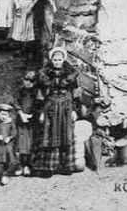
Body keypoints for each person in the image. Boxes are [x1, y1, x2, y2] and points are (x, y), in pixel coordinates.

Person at [32, 47, 78, 176]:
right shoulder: (44, 74)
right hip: (50, 106)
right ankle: (49, 167)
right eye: (55, 59)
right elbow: (40, 95)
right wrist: (41, 112)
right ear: (51, 59)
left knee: (66, 134)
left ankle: (66, 166)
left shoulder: (71, 73)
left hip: (66, 106)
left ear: (64, 59)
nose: (57, 62)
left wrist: (75, 110)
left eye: (59, 59)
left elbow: (75, 93)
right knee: (49, 134)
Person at [14, 71, 39, 176]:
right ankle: (20, 164)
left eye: (31, 81)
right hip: (21, 121)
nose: (28, 83)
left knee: (29, 143)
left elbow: (39, 105)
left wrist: (32, 114)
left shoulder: (36, 92)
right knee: (20, 143)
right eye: (26, 80)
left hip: (31, 122)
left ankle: (28, 165)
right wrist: (21, 113)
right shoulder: (20, 91)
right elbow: (15, 102)